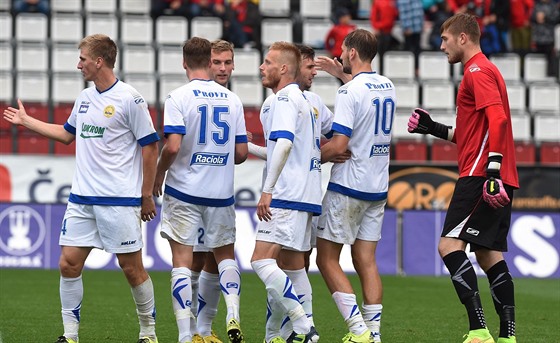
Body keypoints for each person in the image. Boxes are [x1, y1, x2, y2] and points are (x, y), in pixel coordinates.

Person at [3, 34, 160, 343]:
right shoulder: (85, 98)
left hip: (119, 201)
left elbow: (151, 148)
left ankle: (148, 333)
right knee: (68, 263)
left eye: (83, 59)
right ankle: (70, 335)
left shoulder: (130, 99)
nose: (79, 65)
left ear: (99, 61)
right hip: (82, 199)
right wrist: (26, 121)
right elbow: (65, 135)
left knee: (131, 269)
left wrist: (146, 195)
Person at [407, 13, 519, 343]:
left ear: (462, 38)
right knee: (488, 254)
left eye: (444, 39)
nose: (441, 45)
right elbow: (473, 134)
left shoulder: (476, 70)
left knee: (448, 246)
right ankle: (507, 336)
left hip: (481, 175)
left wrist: (493, 173)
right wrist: (432, 128)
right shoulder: (486, 70)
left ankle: (478, 329)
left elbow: (497, 122)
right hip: (495, 173)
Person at [153, 36, 248, 343]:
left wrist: (159, 173)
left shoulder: (178, 97)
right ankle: (233, 313)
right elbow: (242, 153)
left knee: (182, 261)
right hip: (220, 194)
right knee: (226, 257)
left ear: (184, 63)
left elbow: (174, 146)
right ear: (210, 62)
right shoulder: (231, 99)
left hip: (184, 191)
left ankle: (185, 336)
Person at [248, 43, 340, 342]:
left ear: (283, 69)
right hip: (307, 195)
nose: (262, 67)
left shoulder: (284, 99)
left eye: (267, 62)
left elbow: (285, 145)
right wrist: (246, 146)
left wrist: (267, 190)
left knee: (261, 261)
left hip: (286, 194)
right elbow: (282, 149)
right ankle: (288, 331)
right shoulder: (303, 100)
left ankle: (303, 327)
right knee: (294, 268)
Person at [314, 29, 395, 343]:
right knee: (366, 260)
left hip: (349, 185)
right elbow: (367, 102)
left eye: (343, 50)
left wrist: (310, 159)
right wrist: (341, 77)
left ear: (351, 53)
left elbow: (338, 145)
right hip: (377, 186)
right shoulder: (386, 85)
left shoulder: (349, 92)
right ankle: (373, 334)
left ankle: (358, 330)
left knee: (326, 258)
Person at [190, 39, 236, 343]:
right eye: (217, 62)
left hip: (215, 193)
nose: (222, 68)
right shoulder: (226, 100)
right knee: (198, 260)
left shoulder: (230, 99)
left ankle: (204, 331)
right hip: (198, 193)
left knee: (210, 261)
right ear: (207, 63)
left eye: (227, 62)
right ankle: (193, 330)